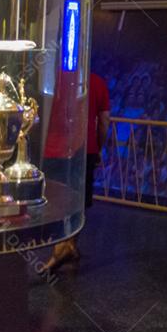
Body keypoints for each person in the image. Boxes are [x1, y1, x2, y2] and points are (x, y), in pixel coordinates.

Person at [42, 71, 110, 272]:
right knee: (78, 200)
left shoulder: (54, 79)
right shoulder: (97, 82)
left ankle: (64, 247)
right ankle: (66, 245)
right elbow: (104, 120)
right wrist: (98, 146)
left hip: (52, 149)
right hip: (83, 149)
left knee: (57, 200)